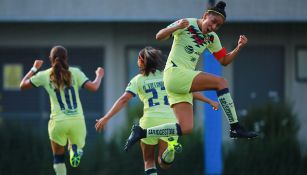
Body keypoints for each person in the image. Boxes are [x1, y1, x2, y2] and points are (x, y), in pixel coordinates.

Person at [124, 1, 258, 151]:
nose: (214, 27)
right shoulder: (187, 23)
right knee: (221, 82)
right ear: (205, 15)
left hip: (180, 83)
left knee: (186, 127)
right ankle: (235, 127)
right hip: (174, 74)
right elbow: (159, 36)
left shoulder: (212, 37)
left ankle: (141, 132)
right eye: (213, 21)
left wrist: (238, 47)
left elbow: (224, 61)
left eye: (218, 25)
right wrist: (176, 27)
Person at [95, 47, 219, 175]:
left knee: (149, 161)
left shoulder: (137, 80)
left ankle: (167, 152)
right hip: (171, 122)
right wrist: (209, 101)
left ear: (142, 62)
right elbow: (189, 91)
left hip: (150, 121)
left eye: (139, 59)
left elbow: (123, 100)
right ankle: (170, 150)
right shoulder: (169, 76)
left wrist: (106, 118)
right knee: (164, 163)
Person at [19, 46, 104, 175]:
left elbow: (22, 85)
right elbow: (94, 87)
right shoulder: (75, 72)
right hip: (77, 121)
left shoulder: (45, 75)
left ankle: (71, 152)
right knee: (77, 145)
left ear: (50, 59)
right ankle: (75, 151)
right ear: (66, 58)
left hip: (58, 122)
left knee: (58, 158)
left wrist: (34, 68)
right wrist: (99, 75)